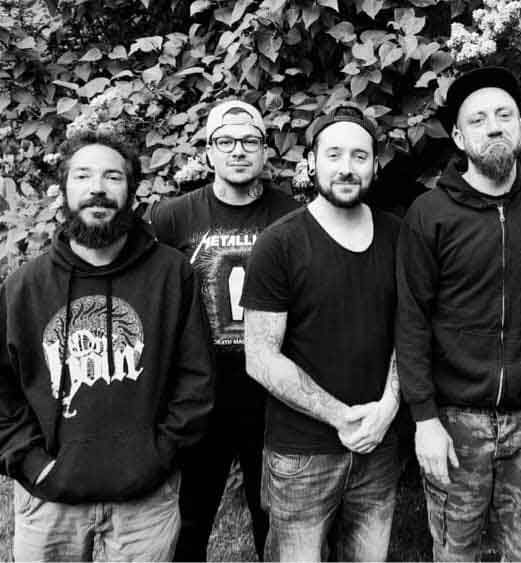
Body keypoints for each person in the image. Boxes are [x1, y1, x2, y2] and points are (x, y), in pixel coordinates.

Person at [0, 130, 214, 561]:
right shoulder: (24, 287)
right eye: (83, 175)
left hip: (144, 503)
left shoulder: (172, 275)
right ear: (64, 190)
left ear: (131, 191)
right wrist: (32, 464)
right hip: (49, 503)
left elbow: (196, 380)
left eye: (112, 176)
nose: (97, 188)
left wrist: (159, 457)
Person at [396, 67, 521, 562]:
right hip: (455, 420)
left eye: (504, 116)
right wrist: (424, 420)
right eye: (478, 119)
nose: (493, 127)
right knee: (455, 550)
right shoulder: (429, 213)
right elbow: (411, 320)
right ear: (460, 138)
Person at [241, 103, 401, 562]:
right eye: (333, 155)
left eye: (359, 156)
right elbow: (260, 356)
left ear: (375, 165)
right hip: (301, 455)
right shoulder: (279, 243)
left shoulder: (398, 235)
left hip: (379, 446)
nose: (346, 167)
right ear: (311, 162)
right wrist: (340, 417)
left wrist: (387, 409)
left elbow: (411, 332)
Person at [151, 99, 299, 561]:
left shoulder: (293, 215)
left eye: (250, 140)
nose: (238, 150)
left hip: (269, 386)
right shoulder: (171, 217)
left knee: (271, 513)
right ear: (208, 151)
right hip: (200, 386)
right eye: (226, 141)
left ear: (266, 150)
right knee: (189, 516)